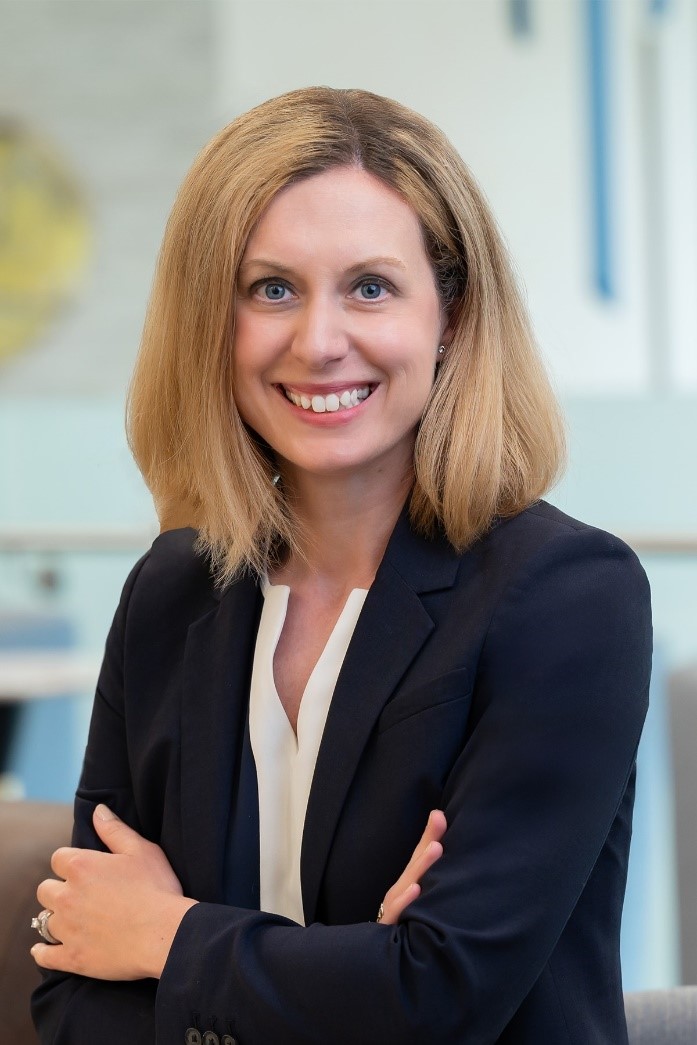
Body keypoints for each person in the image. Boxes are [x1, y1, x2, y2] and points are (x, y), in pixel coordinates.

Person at [30, 87, 651, 1044]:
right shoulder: (171, 592)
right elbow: (74, 978)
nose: (319, 342)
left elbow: (438, 996)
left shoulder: (563, 597)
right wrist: (343, 970)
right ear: (212, 320)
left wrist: (167, 935)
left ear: (450, 314)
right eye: (270, 288)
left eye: (370, 286)